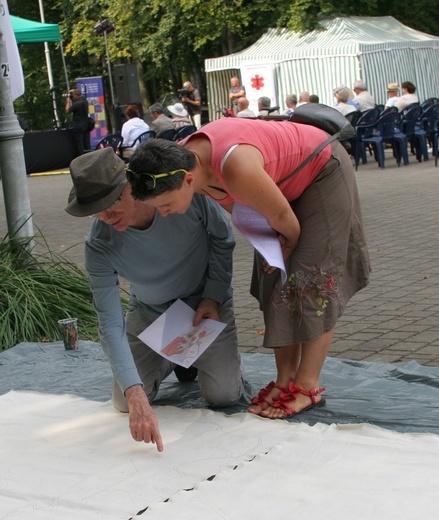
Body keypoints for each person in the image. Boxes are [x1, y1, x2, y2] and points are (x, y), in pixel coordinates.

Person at [125, 117, 371, 420]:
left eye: (165, 205)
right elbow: (244, 209)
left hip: (321, 170)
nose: (164, 214)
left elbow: (284, 219)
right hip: (277, 187)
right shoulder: (174, 161)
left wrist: (288, 245)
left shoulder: (234, 165)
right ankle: (284, 380)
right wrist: (272, 250)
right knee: (275, 280)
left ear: (188, 181)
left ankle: (307, 385)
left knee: (310, 279)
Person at [64, 147, 244, 451]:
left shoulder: (183, 197)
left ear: (131, 185)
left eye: (111, 202)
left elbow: (223, 239)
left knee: (224, 396)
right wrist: (136, 396)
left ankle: (195, 359)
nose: (106, 216)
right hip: (152, 311)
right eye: (96, 210)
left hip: (203, 305)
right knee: (124, 402)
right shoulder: (98, 244)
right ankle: (179, 361)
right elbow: (110, 324)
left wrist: (213, 295)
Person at [65, 88, 90, 156]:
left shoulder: (76, 104)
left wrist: (68, 101)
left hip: (78, 126)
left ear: (75, 95)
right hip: (86, 125)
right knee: (87, 142)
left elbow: (67, 110)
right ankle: (89, 156)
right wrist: (73, 91)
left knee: (80, 143)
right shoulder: (85, 101)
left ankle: (82, 157)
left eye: (73, 95)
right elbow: (79, 93)